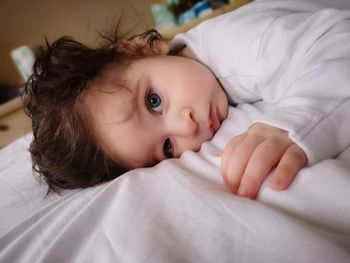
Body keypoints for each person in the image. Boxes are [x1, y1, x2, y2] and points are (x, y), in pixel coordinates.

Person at [24, 0, 350, 198]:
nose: (185, 128)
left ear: (141, 48)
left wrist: (294, 124)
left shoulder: (238, 45)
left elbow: (338, 46)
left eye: (154, 102)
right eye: (167, 147)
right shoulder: (196, 76)